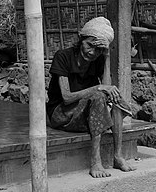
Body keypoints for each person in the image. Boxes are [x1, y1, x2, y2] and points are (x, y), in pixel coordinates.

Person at [46, 17, 135, 178]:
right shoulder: (63, 56)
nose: (92, 52)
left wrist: (106, 56)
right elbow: (66, 97)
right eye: (89, 45)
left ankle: (118, 156)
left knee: (113, 98)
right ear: (81, 40)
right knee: (98, 96)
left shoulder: (98, 59)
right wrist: (97, 88)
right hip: (61, 114)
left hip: (84, 114)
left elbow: (107, 89)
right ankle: (95, 162)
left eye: (98, 49)